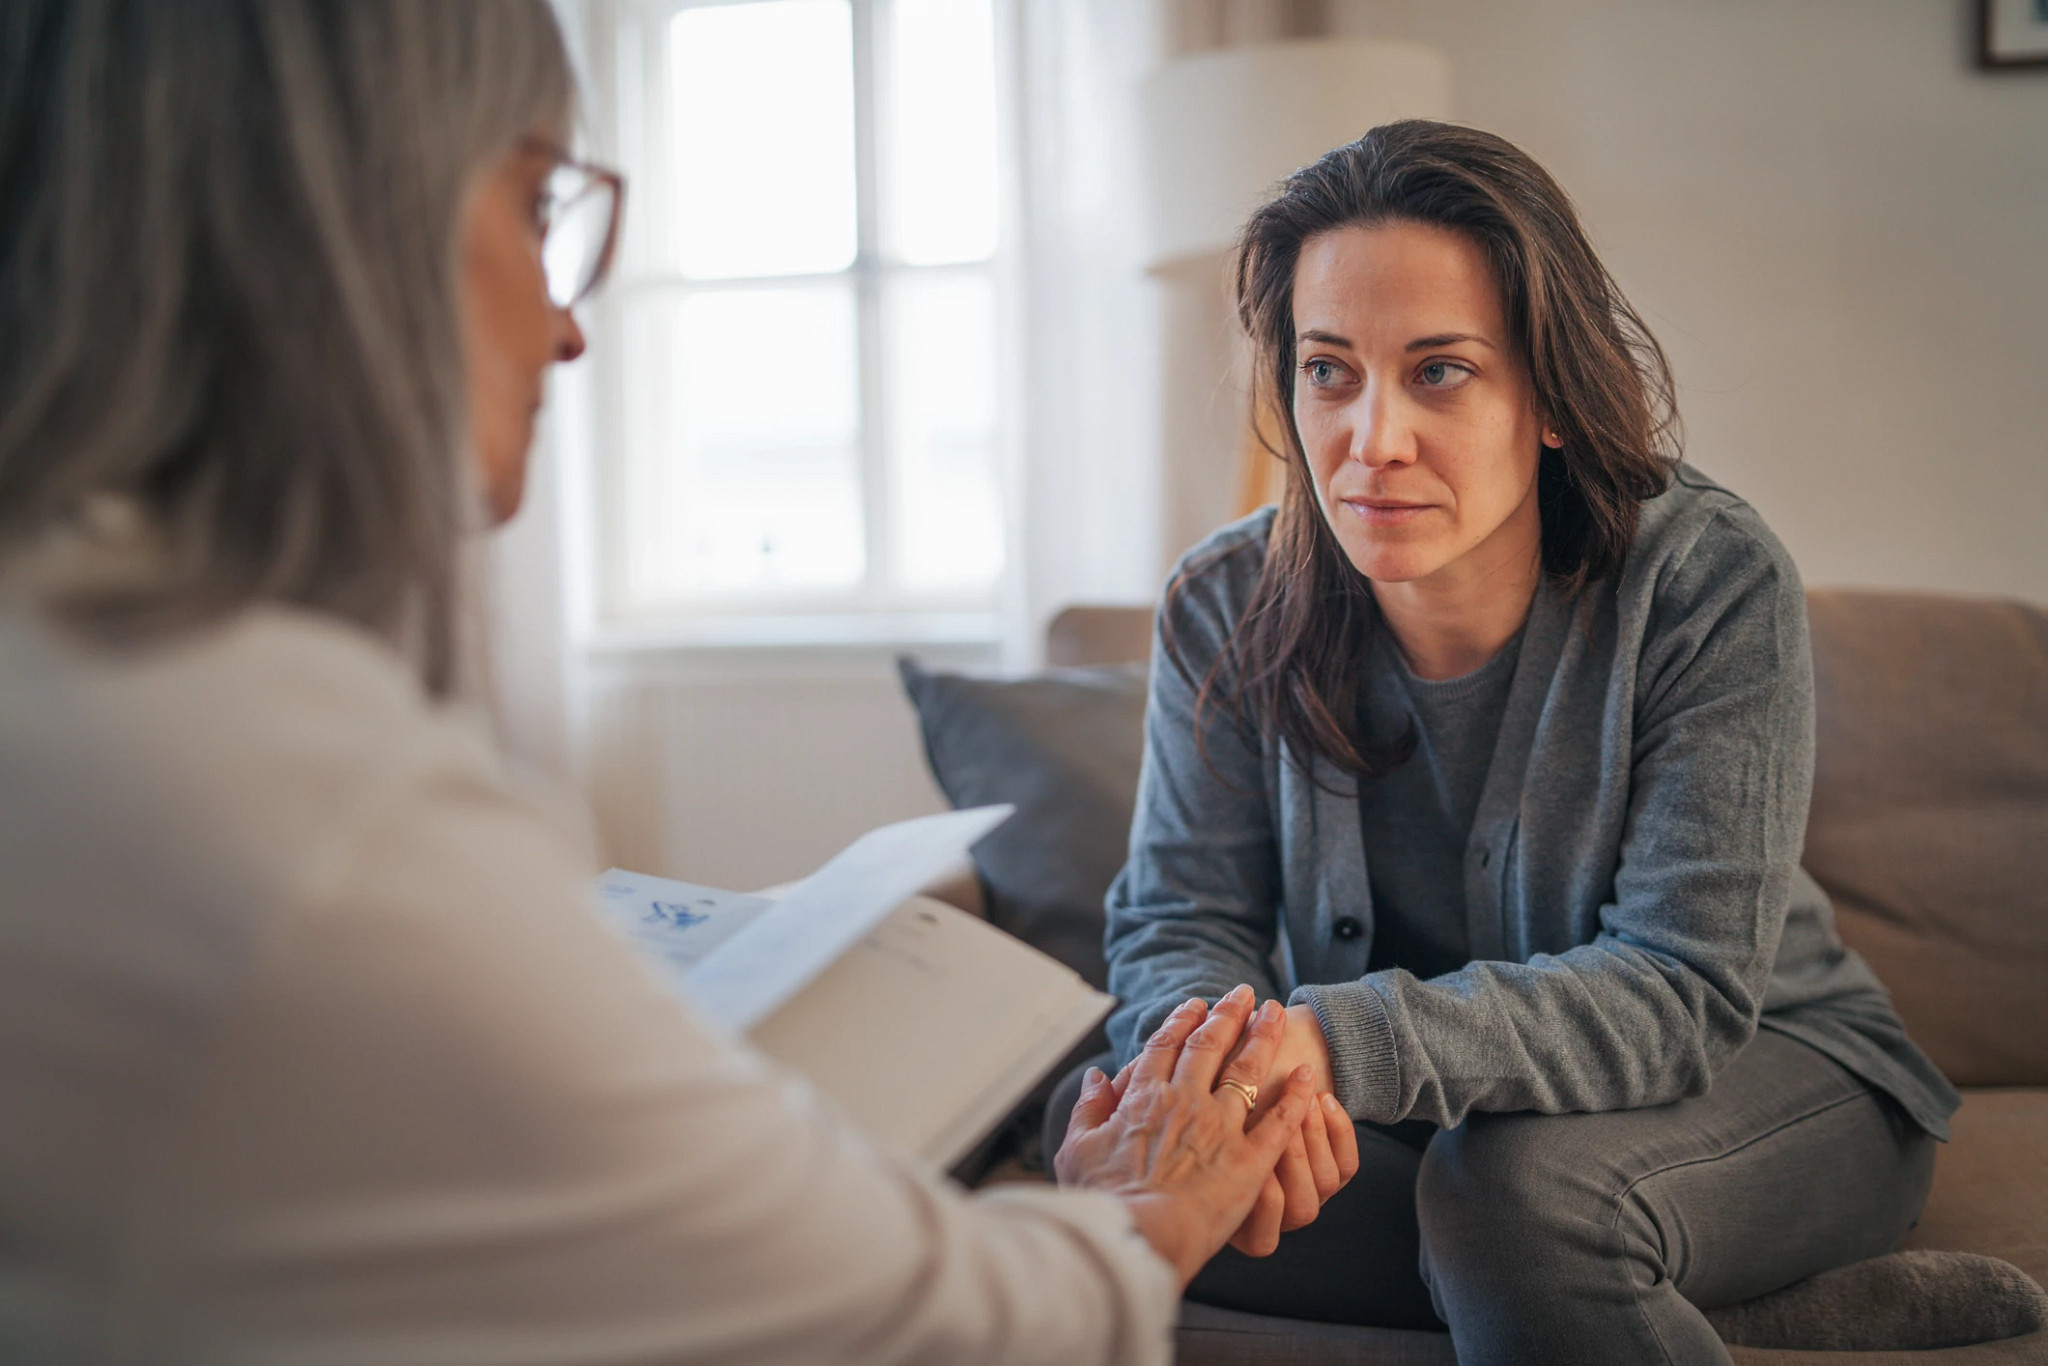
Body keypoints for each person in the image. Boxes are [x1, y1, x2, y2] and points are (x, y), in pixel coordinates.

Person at [0, 3, 1362, 1362]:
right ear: (338, 227)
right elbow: (932, 1323)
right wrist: (1148, 1199)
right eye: (538, 206)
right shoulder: (316, 820)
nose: (567, 327)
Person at [1072, 121, 1962, 1365]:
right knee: (1100, 1144)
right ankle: (1685, 1307)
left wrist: (1326, 1045)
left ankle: (1575, 1266)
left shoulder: (1704, 581)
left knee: (1517, 1197)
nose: (1370, 439)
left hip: (1763, 1072)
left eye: (1438, 371)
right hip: (1421, 1120)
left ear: (1546, 393)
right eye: (1328, 370)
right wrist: (1207, 1084)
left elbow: (1679, 991)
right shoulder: (1221, 600)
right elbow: (1179, 921)